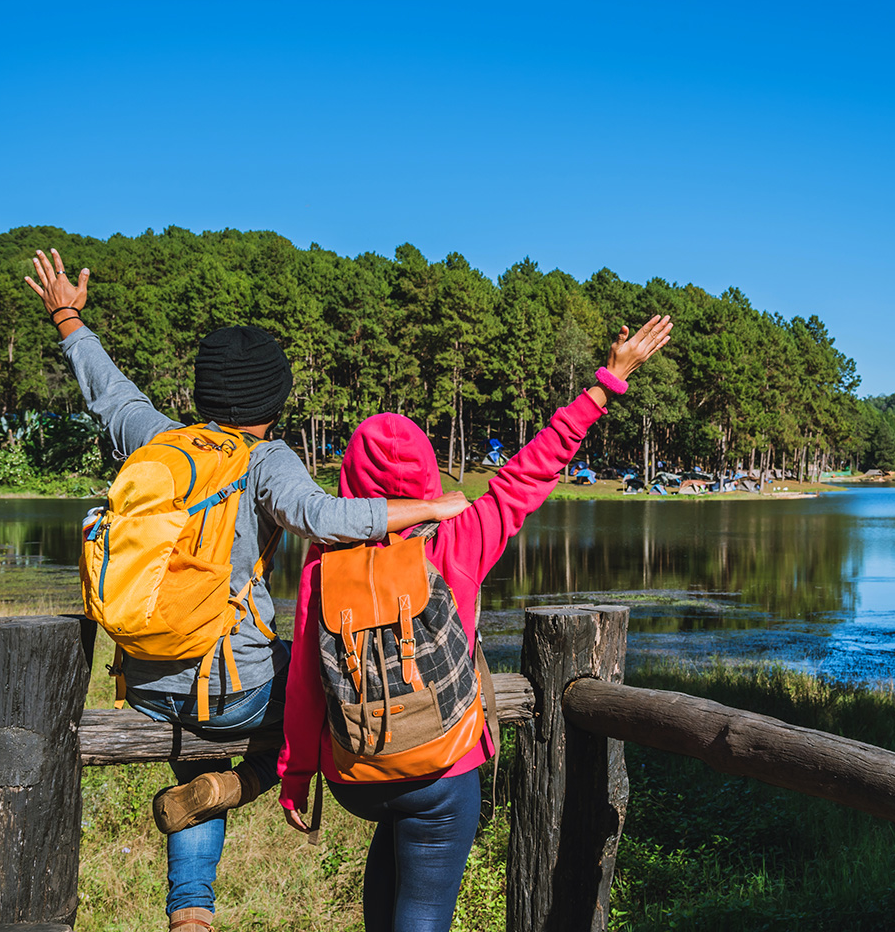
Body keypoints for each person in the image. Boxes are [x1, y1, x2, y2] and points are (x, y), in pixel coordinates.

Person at [24, 248, 469, 932]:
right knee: (311, 686)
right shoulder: (265, 459)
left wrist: (67, 317)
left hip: (147, 685)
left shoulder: (158, 442)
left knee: (197, 741)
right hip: (235, 693)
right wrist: (426, 511)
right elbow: (321, 517)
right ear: (273, 399)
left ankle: (192, 913)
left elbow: (109, 393)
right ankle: (246, 781)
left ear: (204, 394)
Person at [277, 312, 673, 932]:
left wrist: (296, 772)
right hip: (440, 769)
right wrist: (607, 382)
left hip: (358, 775)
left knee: (388, 886)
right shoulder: (461, 536)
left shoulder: (324, 559)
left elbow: (304, 679)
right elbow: (530, 471)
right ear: (428, 473)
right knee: (427, 912)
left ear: (350, 479)